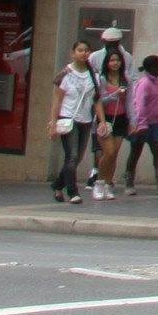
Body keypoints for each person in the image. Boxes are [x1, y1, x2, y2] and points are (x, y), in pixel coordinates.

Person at [48, 41, 100, 204]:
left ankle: (57, 185)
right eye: (80, 50)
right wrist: (53, 123)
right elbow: (57, 100)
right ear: (73, 53)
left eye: (86, 50)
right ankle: (73, 192)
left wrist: (102, 121)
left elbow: (96, 100)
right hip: (68, 118)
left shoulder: (94, 75)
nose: (83, 53)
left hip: (85, 119)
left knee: (77, 158)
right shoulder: (66, 73)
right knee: (71, 156)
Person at [121, 55, 158, 195]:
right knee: (135, 152)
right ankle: (129, 182)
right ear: (152, 68)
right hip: (141, 124)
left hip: (154, 123)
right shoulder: (144, 83)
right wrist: (141, 124)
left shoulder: (157, 83)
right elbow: (139, 105)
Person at [92, 45, 131, 200]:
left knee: (114, 154)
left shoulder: (125, 79)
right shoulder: (101, 79)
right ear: (107, 63)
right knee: (108, 152)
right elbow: (99, 100)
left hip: (121, 118)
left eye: (117, 60)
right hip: (106, 119)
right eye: (112, 60)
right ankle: (99, 182)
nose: (115, 63)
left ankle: (108, 184)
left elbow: (128, 102)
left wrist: (133, 120)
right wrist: (115, 94)